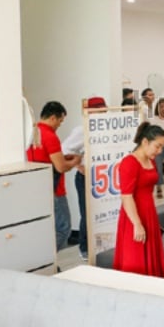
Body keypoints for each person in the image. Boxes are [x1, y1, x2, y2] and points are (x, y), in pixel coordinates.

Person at [113, 122, 164, 278]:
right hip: (134, 216)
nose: (160, 151)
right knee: (135, 259)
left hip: (149, 213)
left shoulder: (151, 161)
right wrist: (137, 224)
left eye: (162, 147)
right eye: (157, 146)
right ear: (145, 142)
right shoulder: (129, 163)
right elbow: (126, 196)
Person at [26, 101, 81, 251]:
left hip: (37, 187)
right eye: (60, 121)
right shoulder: (50, 136)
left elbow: (46, 159)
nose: (59, 125)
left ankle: (44, 258)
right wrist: (75, 161)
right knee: (64, 228)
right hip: (54, 189)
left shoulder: (31, 133)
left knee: (45, 227)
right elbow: (60, 167)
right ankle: (46, 257)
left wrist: (63, 158)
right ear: (52, 118)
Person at [61, 96, 107, 260]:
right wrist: (78, 164)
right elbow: (64, 149)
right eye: (99, 110)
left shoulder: (107, 128)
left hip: (104, 178)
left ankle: (102, 245)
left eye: (103, 110)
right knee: (87, 213)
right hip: (86, 178)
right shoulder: (82, 130)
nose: (102, 113)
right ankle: (85, 247)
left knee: (102, 212)